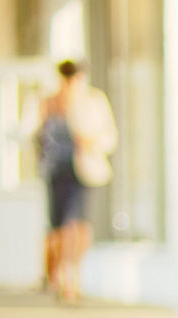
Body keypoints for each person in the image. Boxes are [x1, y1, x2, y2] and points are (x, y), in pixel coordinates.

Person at [36, 60, 117, 301]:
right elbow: (37, 134)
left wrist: (91, 142)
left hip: (84, 169)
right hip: (56, 170)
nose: (70, 82)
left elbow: (109, 134)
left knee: (78, 227)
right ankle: (55, 274)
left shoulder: (93, 100)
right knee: (58, 229)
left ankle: (72, 279)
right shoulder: (49, 101)